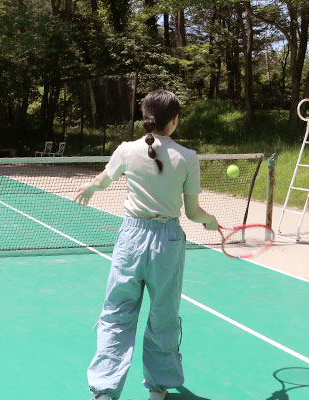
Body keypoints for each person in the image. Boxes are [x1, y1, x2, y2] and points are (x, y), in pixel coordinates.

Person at [74, 89, 218, 400]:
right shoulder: (188, 158)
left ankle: (103, 392)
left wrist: (90, 187)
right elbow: (193, 213)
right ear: (175, 120)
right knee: (164, 315)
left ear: (145, 118)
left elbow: (103, 181)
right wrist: (210, 221)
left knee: (116, 313)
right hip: (167, 242)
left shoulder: (126, 150)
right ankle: (158, 389)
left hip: (131, 239)